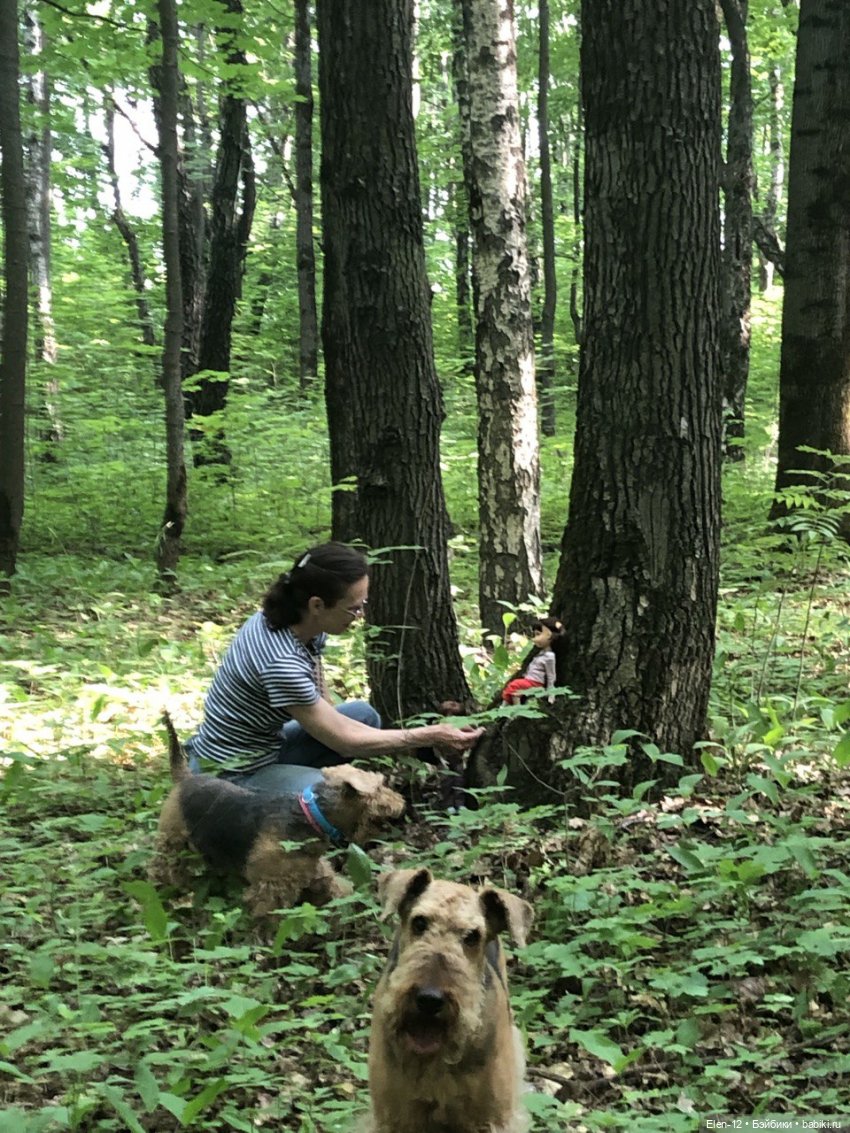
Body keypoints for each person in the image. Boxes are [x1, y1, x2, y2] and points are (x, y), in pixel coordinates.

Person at [184, 541, 483, 795]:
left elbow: (320, 685)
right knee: (341, 796)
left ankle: (294, 782)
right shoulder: (281, 662)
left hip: (268, 745)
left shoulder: (294, 620)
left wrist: (333, 721)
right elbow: (344, 739)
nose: (361, 614)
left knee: (363, 715)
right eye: (354, 607)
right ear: (317, 605)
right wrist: (432, 734)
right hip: (231, 774)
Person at [501, 617, 565, 705]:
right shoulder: (541, 654)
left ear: (550, 635)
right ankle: (505, 710)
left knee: (514, 685)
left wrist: (551, 694)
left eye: (538, 634)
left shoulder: (550, 656)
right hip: (529, 681)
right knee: (512, 688)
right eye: (534, 635)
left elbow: (551, 676)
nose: (534, 639)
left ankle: (516, 710)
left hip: (535, 684)